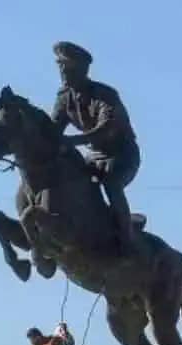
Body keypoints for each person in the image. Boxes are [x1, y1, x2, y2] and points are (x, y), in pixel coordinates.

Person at [51, 41, 141, 253]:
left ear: (81, 70)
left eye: (67, 67)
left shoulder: (105, 95)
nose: (63, 72)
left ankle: (127, 237)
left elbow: (106, 128)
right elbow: (52, 130)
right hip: (93, 156)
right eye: (60, 67)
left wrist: (72, 141)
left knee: (111, 183)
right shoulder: (64, 98)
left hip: (122, 155)